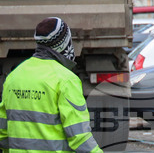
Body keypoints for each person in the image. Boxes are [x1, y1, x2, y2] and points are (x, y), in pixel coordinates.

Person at [0, 18, 103, 153]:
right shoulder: (66, 79)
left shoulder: (14, 76)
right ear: (64, 43)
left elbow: (3, 133)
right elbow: (80, 137)